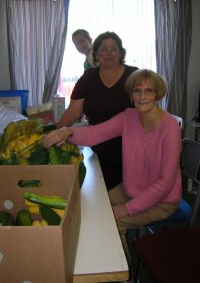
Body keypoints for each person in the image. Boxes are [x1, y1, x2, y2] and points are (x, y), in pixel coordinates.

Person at [43, 69, 182, 261]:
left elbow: (165, 183)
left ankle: (121, 274)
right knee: (90, 206)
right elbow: (95, 133)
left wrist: (126, 209)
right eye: (137, 91)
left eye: (148, 91)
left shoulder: (169, 128)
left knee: (111, 223)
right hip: (130, 190)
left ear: (157, 94)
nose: (142, 96)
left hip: (162, 201)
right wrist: (67, 131)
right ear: (131, 95)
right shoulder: (128, 117)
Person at [56, 31, 138, 200]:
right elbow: (73, 111)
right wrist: (55, 131)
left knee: (115, 201)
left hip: (130, 150)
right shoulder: (88, 78)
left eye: (113, 49)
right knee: (100, 198)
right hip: (99, 150)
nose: (108, 53)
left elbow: (146, 110)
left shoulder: (134, 76)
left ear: (121, 53)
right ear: (96, 53)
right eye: (103, 49)